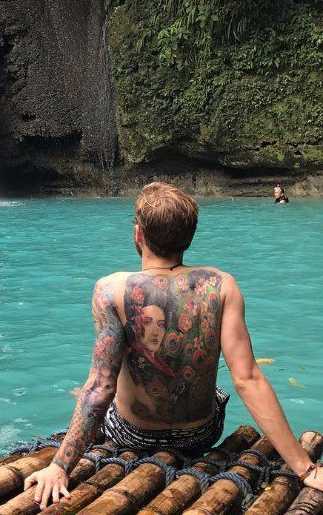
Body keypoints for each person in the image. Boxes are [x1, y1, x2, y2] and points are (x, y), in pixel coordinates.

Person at [24, 182, 322, 510]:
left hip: (132, 434)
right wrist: (305, 467)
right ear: (189, 237)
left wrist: (59, 466)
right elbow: (247, 379)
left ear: (138, 234)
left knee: (91, 387)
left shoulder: (109, 290)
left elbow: (101, 387)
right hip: (202, 433)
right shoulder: (221, 285)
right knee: (214, 387)